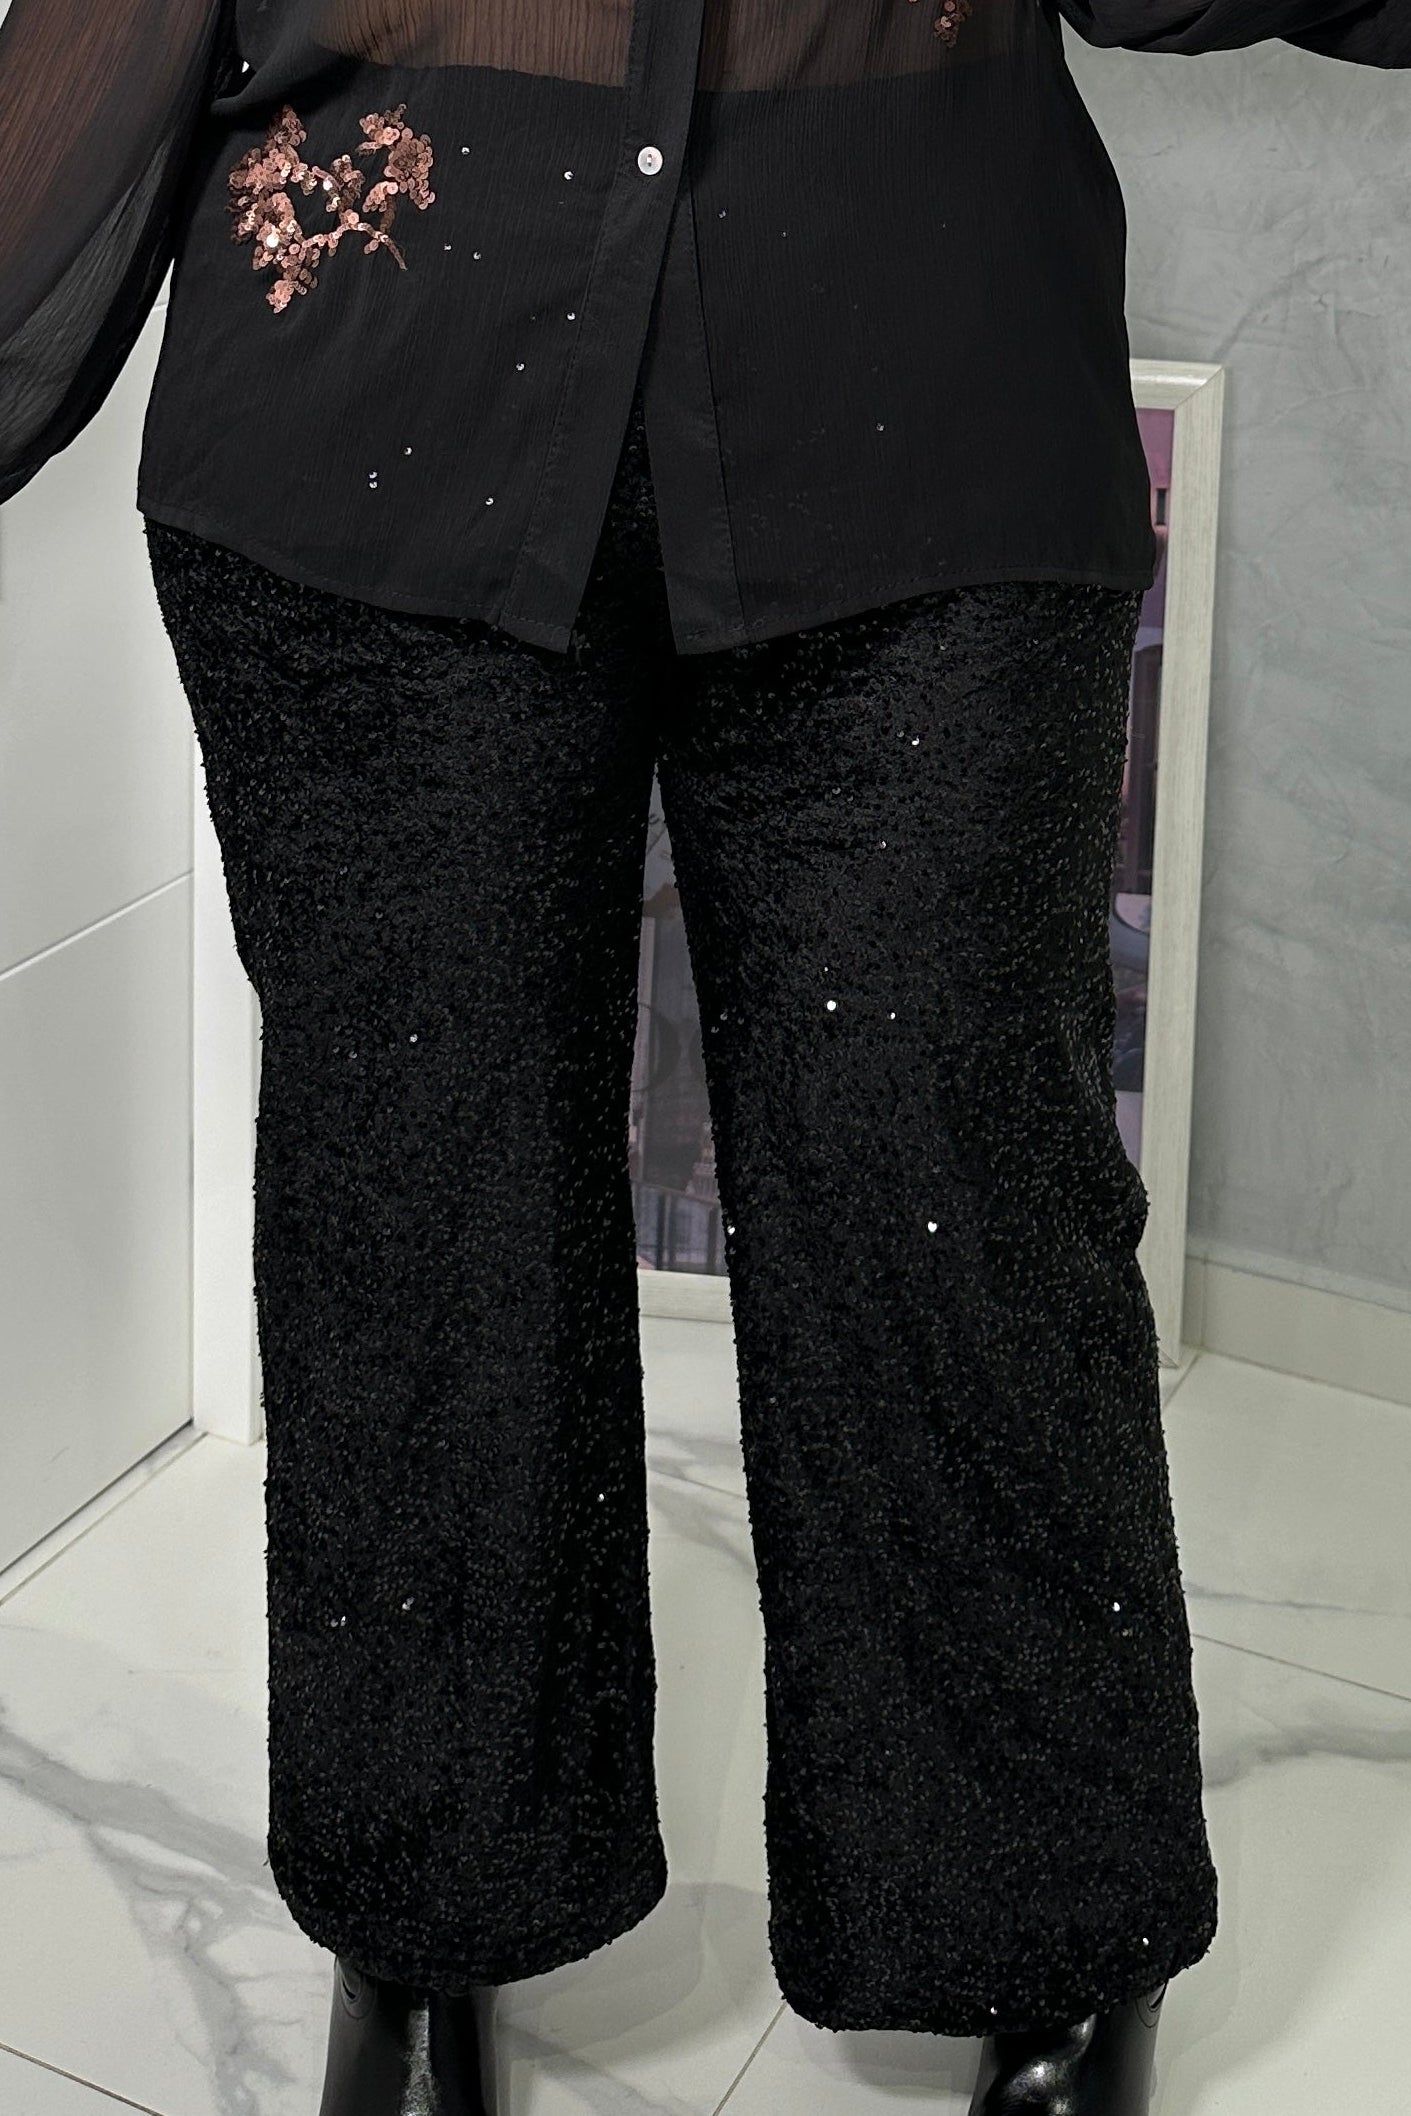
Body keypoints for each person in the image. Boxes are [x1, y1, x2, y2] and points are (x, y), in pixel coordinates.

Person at [1, 4, 1404, 2112]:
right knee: (417, 1202)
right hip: (376, 400)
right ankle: (429, 1905)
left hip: (916, 391)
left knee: (959, 1191)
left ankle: (1037, 1909)